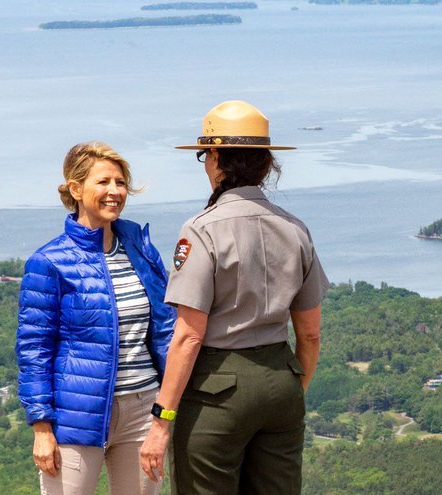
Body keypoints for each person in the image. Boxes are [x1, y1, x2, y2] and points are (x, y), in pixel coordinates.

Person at [138, 100, 329, 494]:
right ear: (264, 164)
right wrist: (292, 389)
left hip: (217, 388)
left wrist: (161, 422)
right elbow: (310, 335)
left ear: (215, 159)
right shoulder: (295, 229)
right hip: (281, 380)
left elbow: (189, 336)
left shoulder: (202, 230)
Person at [17, 141, 176, 495]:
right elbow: (34, 351)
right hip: (77, 413)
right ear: (76, 189)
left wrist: (168, 404)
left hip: (141, 409)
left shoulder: (141, 248)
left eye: (120, 183)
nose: (115, 192)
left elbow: (166, 326)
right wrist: (41, 429)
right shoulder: (49, 261)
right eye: (103, 182)